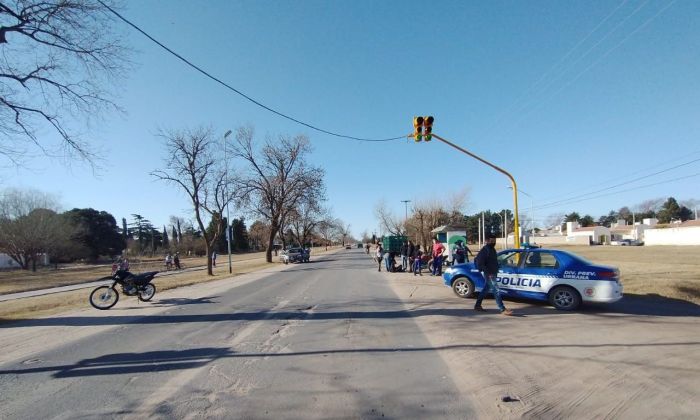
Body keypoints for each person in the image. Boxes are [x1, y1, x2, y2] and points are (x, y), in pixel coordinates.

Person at [474, 234, 513, 316]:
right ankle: (502, 309)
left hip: (493, 272)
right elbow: (480, 263)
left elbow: (493, 261)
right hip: (489, 274)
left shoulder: (492, 249)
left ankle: (477, 305)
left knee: (485, 290)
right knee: (496, 290)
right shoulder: (485, 250)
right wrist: (488, 273)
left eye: (494, 241)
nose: (493, 242)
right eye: (491, 241)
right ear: (487, 241)